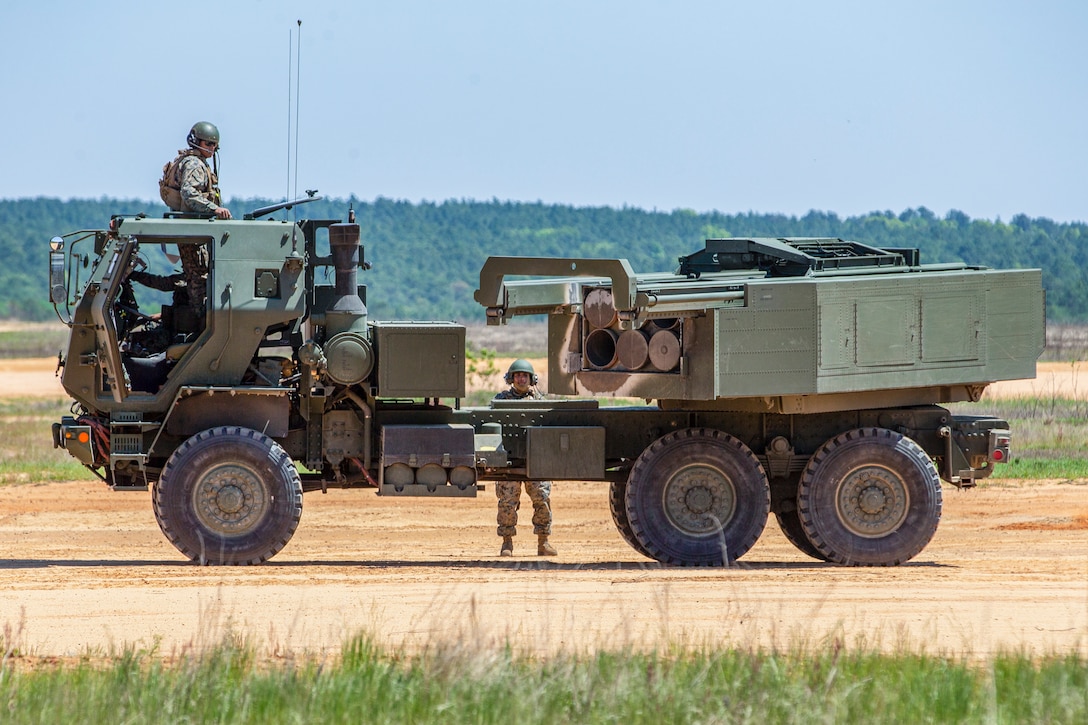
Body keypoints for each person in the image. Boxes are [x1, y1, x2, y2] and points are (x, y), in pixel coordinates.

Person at [152, 121, 231, 316]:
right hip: (193, 231)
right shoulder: (195, 164)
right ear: (197, 142)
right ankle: (199, 323)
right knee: (199, 277)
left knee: (195, 275)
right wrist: (215, 209)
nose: (212, 149)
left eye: (214, 145)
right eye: (208, 144)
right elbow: (189, 193)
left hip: (192, 230)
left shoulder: (190, 161)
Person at [493, 359, 556, 557]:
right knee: (507, 503)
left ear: (531, 379)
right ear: (511, 378)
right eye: (518, 375)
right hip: (510, 461)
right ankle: (507, 543)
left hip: (536, 460)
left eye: (525, 375)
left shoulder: (540, 401)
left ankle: (543, 542)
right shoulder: (501, 401)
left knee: (542, 500)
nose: (521, 379)